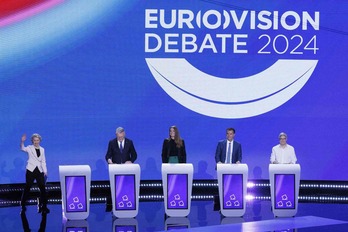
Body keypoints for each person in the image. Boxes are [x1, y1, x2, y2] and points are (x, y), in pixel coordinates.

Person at [20, 133, 49, 214]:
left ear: (40, 140)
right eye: (34, 140)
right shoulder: (29, 148)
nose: (36, 142)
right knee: (28, 187)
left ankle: (44, 206)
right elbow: (22, 148)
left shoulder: (42, 149)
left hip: (39, 170)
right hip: (30, 170)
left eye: (37, 140)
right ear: (32, 141)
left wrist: (45, 171)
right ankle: (22, 204)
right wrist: (22, 142)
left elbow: (43, 161)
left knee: (42, 188)